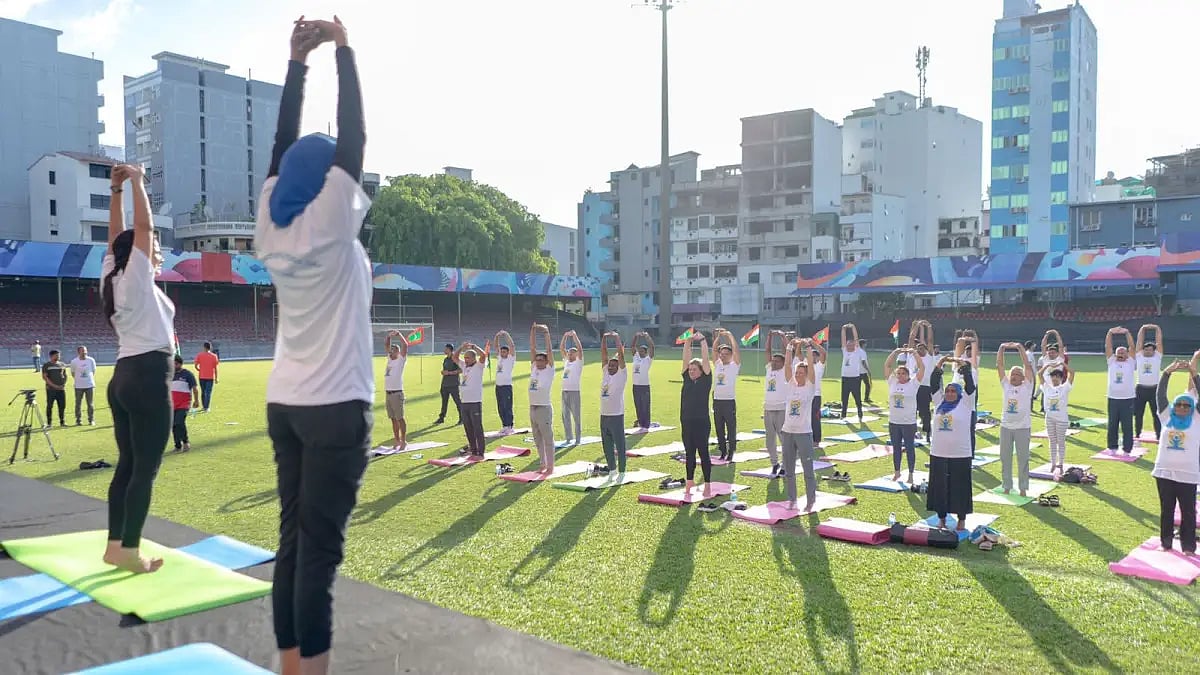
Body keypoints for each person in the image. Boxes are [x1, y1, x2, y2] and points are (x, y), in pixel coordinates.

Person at [253, 17, 368, 674]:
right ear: (327, 182)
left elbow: (280, 146)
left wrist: (298, 64)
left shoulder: (271, 225)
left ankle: (290, 665)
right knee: (317, 555)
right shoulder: (331, 219)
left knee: (293, 545)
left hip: (287, 403)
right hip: (333, 408)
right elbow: (353, 136)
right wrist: (343, 47)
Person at [101, 161, 175, 574]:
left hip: (123, 377)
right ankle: (129, 548)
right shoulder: (137, 278)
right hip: (147, 378)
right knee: (145, 469)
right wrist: (139, 183)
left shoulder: (112, 275)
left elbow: (118, 239)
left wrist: (116, 192)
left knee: (128, 465)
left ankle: (116, 545)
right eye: (155, 249)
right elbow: (141, 232)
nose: (158, 253)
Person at [1152, 359, 1200, 555]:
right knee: (1167, 510)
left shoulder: (1197, 419)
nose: (1181, 407)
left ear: (1191, 408)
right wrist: (1167, 372)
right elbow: (1160, 394)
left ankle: (1188, 547)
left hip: (1187, 474)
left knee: (1188, 512)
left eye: (1185, 405)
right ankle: (1166, 544)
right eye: (1178, 404)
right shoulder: (1166, 416)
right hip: (1164, 473)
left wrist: (1192, 371)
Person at [928, 355, 977, 532]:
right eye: (947, 391)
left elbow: (970, 386)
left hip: (960, 454)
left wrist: (963, 367)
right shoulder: (939, 402)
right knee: (940, 487)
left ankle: (961, 520)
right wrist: (940, 364)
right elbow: (934, 383)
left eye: (952, 391)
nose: (949, 393)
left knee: (960, 487)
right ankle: (941, 519)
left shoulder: (966, 402)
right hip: (939, 452)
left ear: (958, 393)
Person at [781, 339, 819, 512]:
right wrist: (789, 346)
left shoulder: (810, 387)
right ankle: (792, 499)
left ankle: (811, 499)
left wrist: (809, 348)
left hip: (804, 433)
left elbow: (811, 368)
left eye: (802, 373)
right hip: (787, 432)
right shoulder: (790, 385)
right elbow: (787, 366)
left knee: (807, 469)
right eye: (797, 373)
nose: (798, 375)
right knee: (789, 469)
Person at [996, 343, 1035, 496]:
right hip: (1006, 427)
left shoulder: (1027, 386)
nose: (1013, 376)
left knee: (1023, 458)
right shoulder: (1006, 385)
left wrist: (1020, 349)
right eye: (1012, 374)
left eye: (1017, 374)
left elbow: (1027, 365)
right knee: (1005, 458)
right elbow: (999, 366)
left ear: (1023, 377)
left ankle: (1023, 487)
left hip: (1023, 427)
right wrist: (1001, 349)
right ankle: (1007, 485)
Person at [884, 346, 925, 484]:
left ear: (908, 375)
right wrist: (895, 352)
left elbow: (921, 368)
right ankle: (897, 472)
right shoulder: (892, 382)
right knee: (896, 448)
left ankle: (911, 473)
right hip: (894, 422)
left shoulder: (913, 384)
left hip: (908, 422)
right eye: (899, 373)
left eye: (903, 373)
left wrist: (914, 353)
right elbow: (888, 365)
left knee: (909, 447)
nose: (900, 375)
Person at [680, 332, 713, 496]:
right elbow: (686, 358)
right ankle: (690, 481)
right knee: (689, 452)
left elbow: (706, 360)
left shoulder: (706, 380)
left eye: (694, 369)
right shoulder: (687, 379)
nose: (691, 371)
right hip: (686, 421)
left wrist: (702, 341)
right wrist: (687, 342)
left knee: (703, 452)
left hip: (701, 422)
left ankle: (707, 484)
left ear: (701, 371)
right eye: (690, 369)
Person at [598, 332, 629, 474]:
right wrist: (604, 339)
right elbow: (604, 355)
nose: (610, 367)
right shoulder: (606, 373)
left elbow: (621, 358)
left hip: (616, 415)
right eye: (609, 365)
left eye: (613, 365)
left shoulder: (621, 375)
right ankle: (612, 469)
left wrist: (617, 338)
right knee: (607, 445)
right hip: (604, 415)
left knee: (620, 444)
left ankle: (622, 470)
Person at [528, 324, 557, 473]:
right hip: (532, 408)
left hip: (543, 408)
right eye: (537, 359)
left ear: (546, 361)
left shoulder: (549, 370)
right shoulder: (534, 368)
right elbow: (532, 348)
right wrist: (533, 331)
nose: (538, 361)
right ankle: (542, 464)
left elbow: (550, 351)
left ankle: (550, 467)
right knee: (537, 439)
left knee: (547, 439)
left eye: (541, 360)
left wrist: (546, 333)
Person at [1105, 326, 1137, 455]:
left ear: (1127, 354)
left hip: (1128, 398)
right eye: (1119, 353)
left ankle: (1127, 449)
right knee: (1112, 424)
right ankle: (1112, 447)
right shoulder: (1111, 361)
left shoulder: (1131, 362)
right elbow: (1108, 347)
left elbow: (1132, 347)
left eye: (1123, 353)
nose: (1120, 355)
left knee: (1127, 425)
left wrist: (1127, 332)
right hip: (1113, 398)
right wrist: (1110, 332)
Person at [1039, 365, 1075, 480]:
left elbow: (1072, 373)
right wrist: (1048, 366)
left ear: (1061, 378)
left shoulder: (1064, 388)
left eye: (1057, 377)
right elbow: (1039, 374)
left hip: (1061, 420)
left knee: (1060, 441)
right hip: (1049, 418)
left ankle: (1061, 463)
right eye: (1053, 376)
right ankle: (1053, 463)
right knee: (1052, 441)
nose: (1055, 379)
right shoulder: (1047, 387)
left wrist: (1062, 363)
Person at [711, 328, 741, 461]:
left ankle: (731, 451)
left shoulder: (734, 366)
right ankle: (722, 451)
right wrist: (717, 337)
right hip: (717, 400)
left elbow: (736, 350)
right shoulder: (718, 365)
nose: (722, 356)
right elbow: (714, 350)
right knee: (719, 428)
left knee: (731, 428)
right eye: (721, 354)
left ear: (730, 355)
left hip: (729, 401)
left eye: (725, 354)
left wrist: (729, 336)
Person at [762, 330, 789, 476]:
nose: (774, 362)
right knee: (769, 440)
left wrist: (783, 336)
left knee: (783, 438)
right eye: (773, 360)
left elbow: (787, 351)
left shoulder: (785, 370)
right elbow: (767, 350)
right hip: (768, 408)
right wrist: (769, 336)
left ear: (783, 363)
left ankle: (785, 465)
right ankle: (774, 463)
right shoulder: (769, 369)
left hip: (781, 408)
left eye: (777, 360)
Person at [457, 342, 488, 457]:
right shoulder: (464, 366)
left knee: (477, 427)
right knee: (468, 427)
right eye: (465, 357)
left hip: (475, 401)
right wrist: (462, 347)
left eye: (468, 357)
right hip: (464, 402)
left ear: (474, 358)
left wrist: (474, 347)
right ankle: (473, 450)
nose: (466, 360)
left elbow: (484, 355)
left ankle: (481, 451)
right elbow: (455, 357)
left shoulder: (479, 366)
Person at [953, 334, 982, 456]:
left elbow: (975, 351)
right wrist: (962, 339)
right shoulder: (956, 369)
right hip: (956, 407)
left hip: (969, 407)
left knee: (970, 431)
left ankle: (970, 455)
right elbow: (958, 349)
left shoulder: (973, 371)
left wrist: (973, 340)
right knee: (955, 430)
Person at [1135, 323, 1164, 440]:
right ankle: (1137, 433)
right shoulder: (1140, 356)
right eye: (1145, 350)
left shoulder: (1157, 357)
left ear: (1154, 351)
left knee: (1156, 414)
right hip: (1140, 389)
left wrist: (1157, 328)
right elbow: (1139, 342)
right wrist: (1143, 329)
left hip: (1154, 389)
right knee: (1138, 413)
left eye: (1149, 350)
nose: (1147, 351)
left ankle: (1159, 435)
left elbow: (1159, 342)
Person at [908, 320, 936, 440]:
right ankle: (911, 431)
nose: (920, 350)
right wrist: (917, 326)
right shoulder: (912, 356)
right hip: (912, 386)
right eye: (918, 348)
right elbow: (911, 338)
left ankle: (927, 431)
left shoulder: (929, 357)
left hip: (924, 387)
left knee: (925, 411)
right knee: (911, 410)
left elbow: (930, 341)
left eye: (922, 348)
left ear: (926, 349)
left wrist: (928, 326)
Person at [383, 330, 409, 450]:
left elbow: (405, 345)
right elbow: (386, 345)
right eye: (390, 350)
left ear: (398, 352)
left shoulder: (400, 360)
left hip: (397, 393)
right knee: (393, 418)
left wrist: (399, 335)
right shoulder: (389, 359)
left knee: (400, 418)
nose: (390, 351)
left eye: (393, 350)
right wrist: (389, 336)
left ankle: (404, 441)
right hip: (388, 393)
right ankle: (397, 440)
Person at [170, 355, 200, 452]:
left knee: (179, 422)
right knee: (173, 425)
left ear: (179, 364)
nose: (173, 366)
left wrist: (196, 400)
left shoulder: (187, 374)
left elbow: (195, 388)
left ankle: (186, 442)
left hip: (184, 403)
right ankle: (177, 445)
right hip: (172, 404)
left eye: (175, 364)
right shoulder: (170, 375)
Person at [559, 330, 584, 445]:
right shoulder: (566, 362)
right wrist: (564, 336)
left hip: (574, 392)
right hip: (564, 391)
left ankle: (578, 439)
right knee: (565, 415)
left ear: (576, 354)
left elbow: (580, 348)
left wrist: (574, 336)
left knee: (576, 416)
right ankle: (569, 437)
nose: (569, 354)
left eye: (572, 353)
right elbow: (562, 348)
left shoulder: (578, 362)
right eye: (569, 353)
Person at [839, 323, 866, 422]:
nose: (849, 346)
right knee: (844, 398)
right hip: (845, 377)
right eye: (848, 344)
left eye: (851, 344)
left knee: (857, 397)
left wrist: (853, 327)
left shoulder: (857, 351)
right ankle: (843, 414)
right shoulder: (845, 351)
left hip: (855, 378)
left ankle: (860, 413)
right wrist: (843, 329)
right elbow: (843, 340)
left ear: (855, 345)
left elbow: (856, 338)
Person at [492, 331, 517, 434]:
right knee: (500, 406)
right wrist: (497, 336)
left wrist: (506, 335)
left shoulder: (510, 359)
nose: (502, 353)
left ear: (508, 352)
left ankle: (510, 425)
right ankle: (504, 425)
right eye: (501, 352)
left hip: (506, 386)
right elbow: (496, 346)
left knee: (507, 406)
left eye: (504, 352)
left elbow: (512, 345)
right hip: (498, 386)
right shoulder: (500, 358)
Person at [631, 331, 655, 431]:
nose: (639, 352)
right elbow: (632, 346)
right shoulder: (636, 358)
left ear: (645, 352)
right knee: (638, 404)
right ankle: (641, 422)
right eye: (639, 350)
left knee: (645, 405)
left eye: (642, 351)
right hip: (635, 385)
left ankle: (646, 424)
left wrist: (647, 337)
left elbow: (652, 347)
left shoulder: (648, 360)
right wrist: (636, 336)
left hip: (644, 385)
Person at [70, 345, 98, 426]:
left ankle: (91, 420)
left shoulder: (91, 360)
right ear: (78, 352)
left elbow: (93, 371)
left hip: (89, 385)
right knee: (78, 403)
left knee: (90, 403)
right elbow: (73, 373)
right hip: (78, 386)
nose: (84, 352)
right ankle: (78, 420)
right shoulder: (74, 361)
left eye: (85, 350)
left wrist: (88, 380)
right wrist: (79, 380)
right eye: (82, 351)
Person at [436, 343, 463, 426]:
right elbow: (445, 370)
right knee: (444, 402)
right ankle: (441, 418)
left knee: (457, 401)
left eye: (445, 349)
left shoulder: (455, 359)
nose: (444, 350)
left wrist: (450, 373)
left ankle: (462, 418)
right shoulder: (445, 359)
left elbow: (461, 370)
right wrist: (443, 372)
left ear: (449, 349)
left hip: (453, 384)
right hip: (445, 384)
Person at [41, 349, 68, 426]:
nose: (58, 356)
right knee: (50, 406)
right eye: (56, 355)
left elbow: (65, 375)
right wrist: (54, 386)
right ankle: (49, 423)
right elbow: (45, 377)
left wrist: (64, 384)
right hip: (51, 390)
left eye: (59, 355)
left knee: (62, 406)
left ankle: (62, 422)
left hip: (61, 389)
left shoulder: (62, 364)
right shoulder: (47, 365)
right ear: (51, 356)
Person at [809, 338, 828, 445]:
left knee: (815, 418)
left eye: (814, 356)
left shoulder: (819, 366)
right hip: (806, 395)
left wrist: (813, 344)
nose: (812, 357)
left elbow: (823, 353)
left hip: (815, 396)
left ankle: (816, 440)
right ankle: (808, 438)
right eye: (810, 355)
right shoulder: (805, 366)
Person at [193, 341, 219, 412]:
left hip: (202, 376)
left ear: (204, 347)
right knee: (208, 392)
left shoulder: (200, 355)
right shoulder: (214, 356)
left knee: (203, 392)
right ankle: (206, 407)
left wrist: (199, 369)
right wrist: (216, 378)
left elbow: (195, 365)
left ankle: (204, 406)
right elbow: (215, 368)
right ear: (210, 347)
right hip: (210, 377)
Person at [859, 338, 874, 404]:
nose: (866, 345)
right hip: (862, 372)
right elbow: (863, 362)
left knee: (858, 386)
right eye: (865, 343)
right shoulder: (862, 352)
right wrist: (868, 370)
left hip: (858, 371)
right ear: (863, 344)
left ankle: (864, 398)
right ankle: (866, 398)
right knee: (867, 385)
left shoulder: (858, 351)